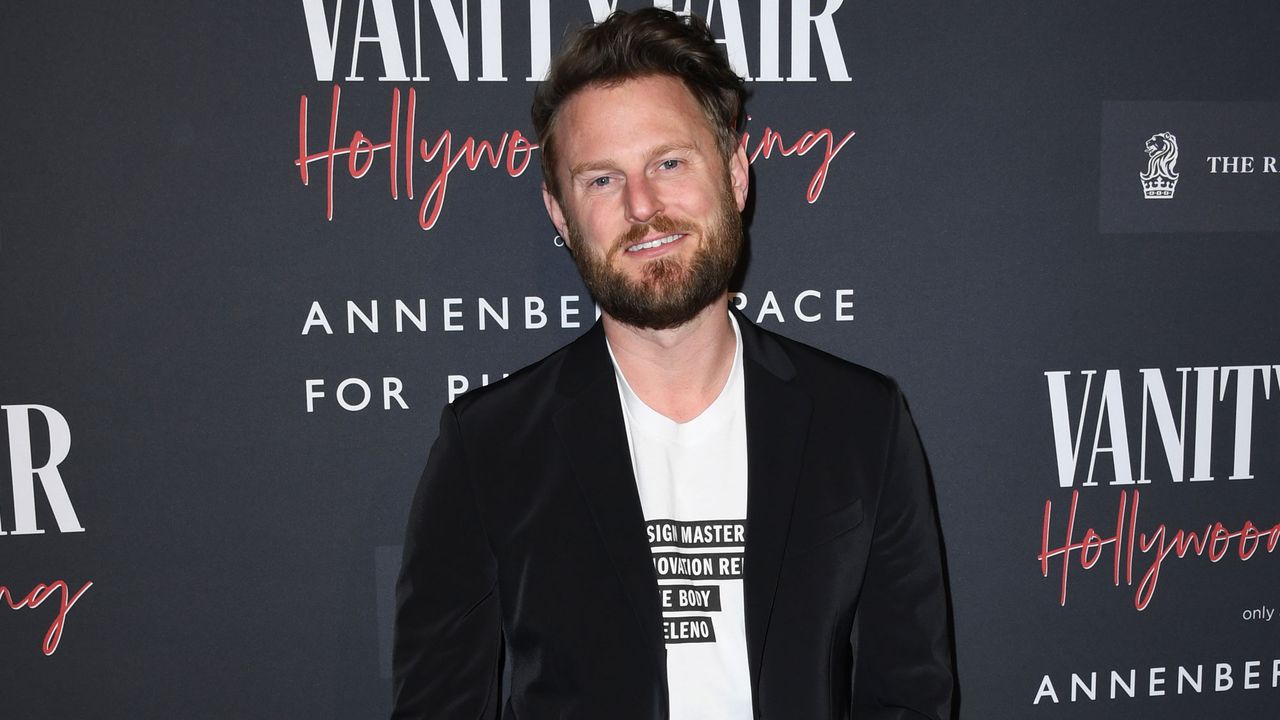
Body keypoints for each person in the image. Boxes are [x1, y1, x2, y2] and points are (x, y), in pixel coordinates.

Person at [392, 9, 953, 719]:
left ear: (736, 175)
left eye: (669, 162)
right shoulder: (488, 446)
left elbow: (909, 695)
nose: (643, 206)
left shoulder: (862, 421)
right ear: (560, 216)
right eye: (601, 180)